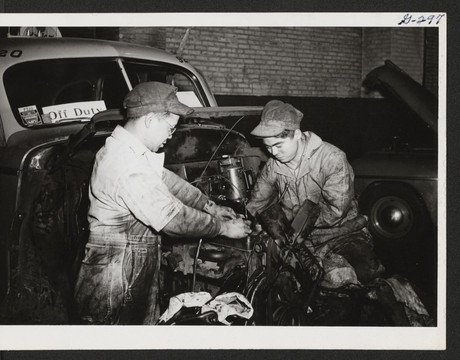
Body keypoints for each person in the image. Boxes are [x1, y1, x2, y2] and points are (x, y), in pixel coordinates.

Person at [74, 81, 251, 325]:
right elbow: (173, 220)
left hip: (129, 262)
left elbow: (168, 181)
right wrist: (224, 228)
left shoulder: (133, 152)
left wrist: (210, 206)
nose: (171, 136)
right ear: (149, 120)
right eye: (169, 127)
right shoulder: (124, 163)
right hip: (115, 274)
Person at [246, 100, 385, 287]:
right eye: (267, 146)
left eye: (278, 145)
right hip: (298, 241)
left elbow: (336, 210)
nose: (273, 152)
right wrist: (262, 224)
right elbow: (257, 203)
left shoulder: (331, 158)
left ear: (296, 134)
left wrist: (291, 217)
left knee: (362, 280)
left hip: (341, 233)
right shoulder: (273, 166)